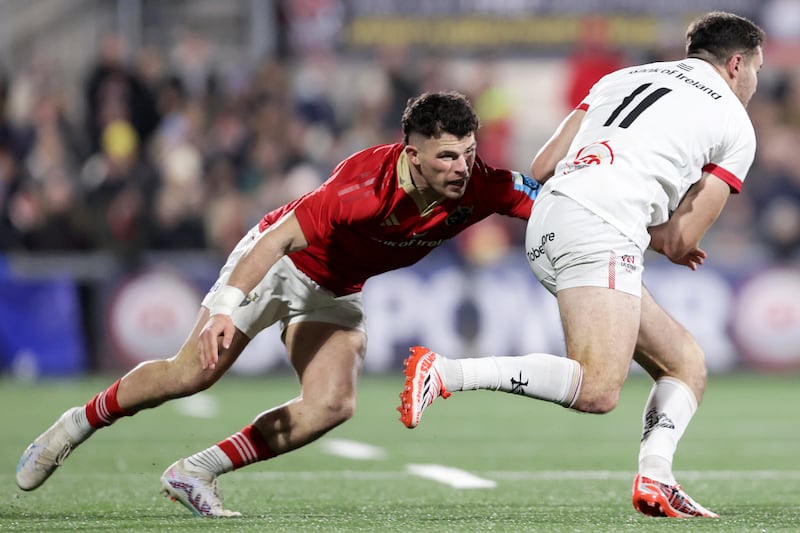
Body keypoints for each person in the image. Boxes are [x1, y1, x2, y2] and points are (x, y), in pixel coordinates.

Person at [15, 91, 540, 517]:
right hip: (282, 264)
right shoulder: (361, 190)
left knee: (333, 403)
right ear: (412, 155)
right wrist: (225, 306)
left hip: (338, 287)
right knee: (192, 375)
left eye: (468, 152)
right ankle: (74, 425)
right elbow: (276, 240)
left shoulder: (482, 186)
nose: (461, 167)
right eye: (447, 155)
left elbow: (547, 201)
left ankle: (194, 471)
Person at [398, 11, 765, 519]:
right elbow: (683, 240)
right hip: (602, 224)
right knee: (597, 389)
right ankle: (447, 372)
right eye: (756, 71)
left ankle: (656, 479)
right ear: (736, 64)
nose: (754, 83)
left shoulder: (623, 77)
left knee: (684, 363)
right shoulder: (734, 121)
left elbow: (543, 166)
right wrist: (660, 228)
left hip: (551, 217)